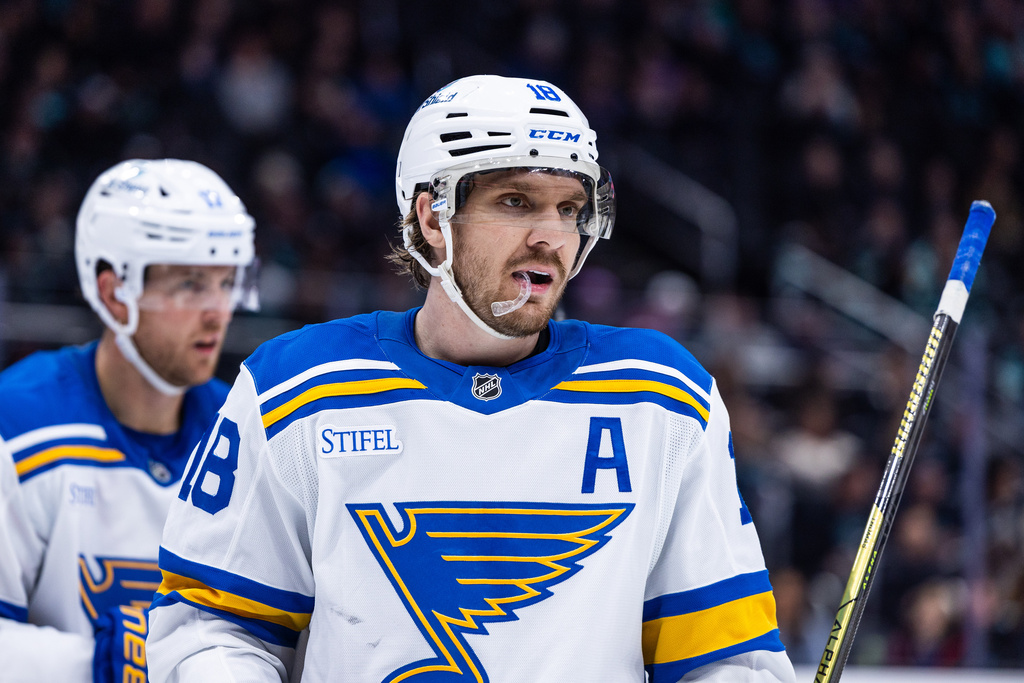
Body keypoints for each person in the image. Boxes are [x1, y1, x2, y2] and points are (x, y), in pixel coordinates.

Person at [147, 75, 796, 682]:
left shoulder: (664, 398)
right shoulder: (296, 387)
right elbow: (213, 629)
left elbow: (724, 655)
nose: (551, 236)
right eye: (516, 201)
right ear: (432, 218)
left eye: (569, 208)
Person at [0, 158, 258, 682]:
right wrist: (97, 665)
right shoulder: (19, 423)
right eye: (190, 284)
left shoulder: (249, 430)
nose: (218, 311)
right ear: (115, 293)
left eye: (226, 281)